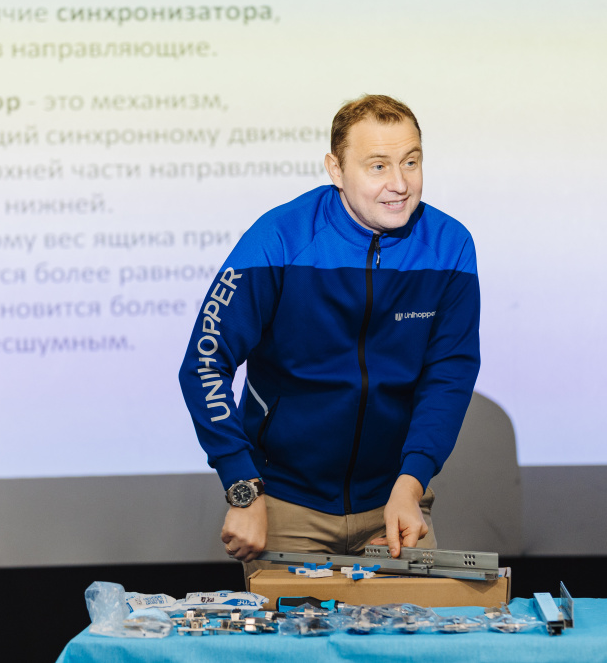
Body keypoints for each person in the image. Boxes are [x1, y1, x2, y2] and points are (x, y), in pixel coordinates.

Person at [178, 94, 480, 568]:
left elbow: (449, 375)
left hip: (396, 500)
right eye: (378, 166)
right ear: (335, 169)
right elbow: (203, 363)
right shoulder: (279, 238)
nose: (400, 184)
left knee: (420, 621)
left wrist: (412, 482)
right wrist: (242, 486)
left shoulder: (450, 245)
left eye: (411, 162)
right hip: (285, 503)